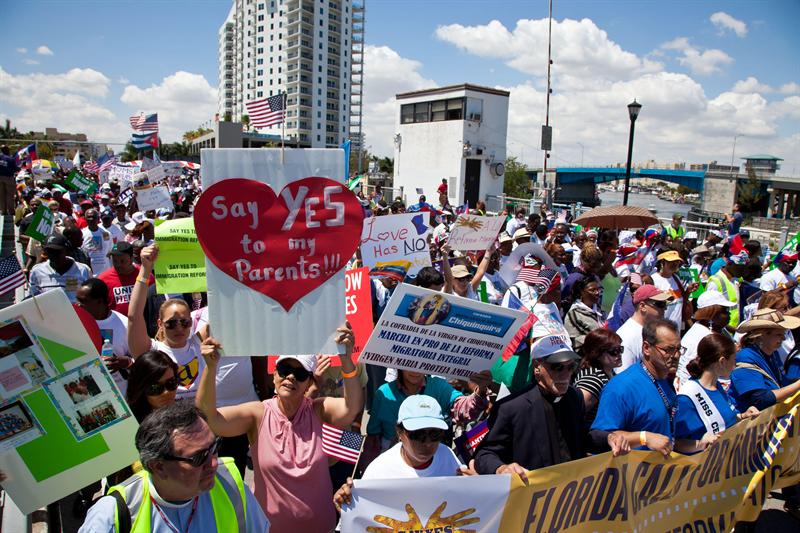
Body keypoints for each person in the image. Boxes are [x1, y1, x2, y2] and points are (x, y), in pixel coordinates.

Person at [195, 325, 362, 532]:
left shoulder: (318, 410)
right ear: (274, 375)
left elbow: (351, 407)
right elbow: (210, 419)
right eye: (284, 370)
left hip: (321, 526)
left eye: (300, 373)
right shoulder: (258, 414)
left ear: (310, 381)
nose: (290, 377)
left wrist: (346, 360)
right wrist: (210, 369)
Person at [78, 401, 269, 533]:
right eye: (199, 457)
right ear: (158, 466)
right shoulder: (114, 513)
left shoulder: (230, 484)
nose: (213, 463)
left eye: (215, 447)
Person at [475, 334, 629, 479]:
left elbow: (583, 437)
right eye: (557, 367)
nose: (566, 374)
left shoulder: (574, 397)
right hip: (532, 498)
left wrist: (609, 438)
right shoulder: (511, 407)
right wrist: (502, 468)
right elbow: (485, 454)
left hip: (570, 492)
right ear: (537, 366)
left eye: (570, 367)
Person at [333, 394, 473, 512]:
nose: (428, 442)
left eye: (435, 434)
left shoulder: (447, 455)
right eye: (418, 434)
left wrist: (477, 485)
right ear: (400, 433)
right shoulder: (379, 471)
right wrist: (349, 503)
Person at [591, 319, 709, 455]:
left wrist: (700, 445)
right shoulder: (621, 388)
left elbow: (668, 441)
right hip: (633, 473)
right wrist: (643, 438)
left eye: (678, 349)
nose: (676, 355)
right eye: (668, 350)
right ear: (647, 348)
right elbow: (601, 437)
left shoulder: (665, 381)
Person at [365, 369, 489, 455]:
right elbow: (373, 439)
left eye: (419, 364)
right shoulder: (383, 393)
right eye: (409, 363)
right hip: (392, 460)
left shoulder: (439, 387)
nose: (415, 370)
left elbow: (463, 408)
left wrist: (480, 391)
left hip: (432, 454)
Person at [674, 334, 758, 451]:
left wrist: (744, 416)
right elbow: (675, 443)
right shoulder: (687, 397)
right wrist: (700, 443)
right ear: (722, 361)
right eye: (734, 360)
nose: (735, 365)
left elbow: (725, 419)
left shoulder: (717, 386)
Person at [730, 308, 800, 411]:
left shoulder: (772, 353)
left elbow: (782, 384)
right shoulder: (745, 358)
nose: (784, 338)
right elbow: (760, 400)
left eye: (784, 334)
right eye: (779, 334)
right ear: (762, 335)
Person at [76, 278, 133, 395]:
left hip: (121, 394)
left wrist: (127, 362)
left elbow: (143, 359)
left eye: (83, 301)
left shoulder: (124, 325)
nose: (78, 305)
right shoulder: (75, 322)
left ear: (100, 301)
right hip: (88, 393)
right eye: (78, 300)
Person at [675, 290, 736, 389]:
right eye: (724, 311)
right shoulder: (699, 337)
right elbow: (685, 373)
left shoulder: (720, 330)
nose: (729, 314)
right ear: (711, 314)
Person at [573, 328, 623, 427]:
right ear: (598, 354)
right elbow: (576, 412)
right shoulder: (593, 380)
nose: (619, 354)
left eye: (620, 349)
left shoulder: (608, 371)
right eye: (613, 351)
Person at [616, 285, 671, 372]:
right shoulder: (627, 337)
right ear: (642, 306)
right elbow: (623, 375)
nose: (665, 309)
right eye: (660, 304)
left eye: (665, 304)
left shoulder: (649, 330)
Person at [29, 234, 92, 303]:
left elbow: (90, 299)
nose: (53, 255)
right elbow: (32, 299)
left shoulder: (83, 270)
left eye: (57, 251)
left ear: (66, 250)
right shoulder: (37, 271)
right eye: (49, 251)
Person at [98, 241, 154, 317]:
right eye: (115, 261)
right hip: (117, 327)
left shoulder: (146, 275)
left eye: (122, 261)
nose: (118, 265)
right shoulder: (103, 279)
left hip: (143, 324)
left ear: (131, 259)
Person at [126, 350, 179, 422]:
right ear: (140, 389)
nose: (166, 392)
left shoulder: (187, 418)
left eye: (171, 383)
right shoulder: (131, 425)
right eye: (155, 388)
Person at [651, 250, 692, 333]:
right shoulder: (653, 280)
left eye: (677, 262)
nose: (675, 264)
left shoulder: (676, 279)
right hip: (661, 331)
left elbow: (680, 301)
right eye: (671, 262)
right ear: (662, 262)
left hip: (676, 330)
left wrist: (688, 291)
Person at [706, 251, 748, 330]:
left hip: (734, 328)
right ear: (729, 264)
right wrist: (727, 328)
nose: (743, 271)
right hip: (721, 329)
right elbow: (710, 311)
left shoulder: (735, 279)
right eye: (740, 268)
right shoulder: (715, 281)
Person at [564, 275, 604, 349]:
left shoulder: (597, 309)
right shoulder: (574, 314)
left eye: (598, 289)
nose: (597, 293)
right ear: (581, 292)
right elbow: (573, 341)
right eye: (592, 290)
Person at [81, 208, 113, 274]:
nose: (91, 219)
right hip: (90, 272)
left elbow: (110, 250)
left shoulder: (106, 233)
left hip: (105, 271)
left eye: (93, 217)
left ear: (98, 219)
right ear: (85, 218)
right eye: (89, 217)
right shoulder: (82, 233)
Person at [0, 145, 18, 216]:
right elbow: (14, 169)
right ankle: (11, 211)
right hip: (8, 178)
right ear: (7, 150)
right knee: (10, 195)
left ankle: (3, 211)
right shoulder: (11, 159)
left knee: (1, 195)